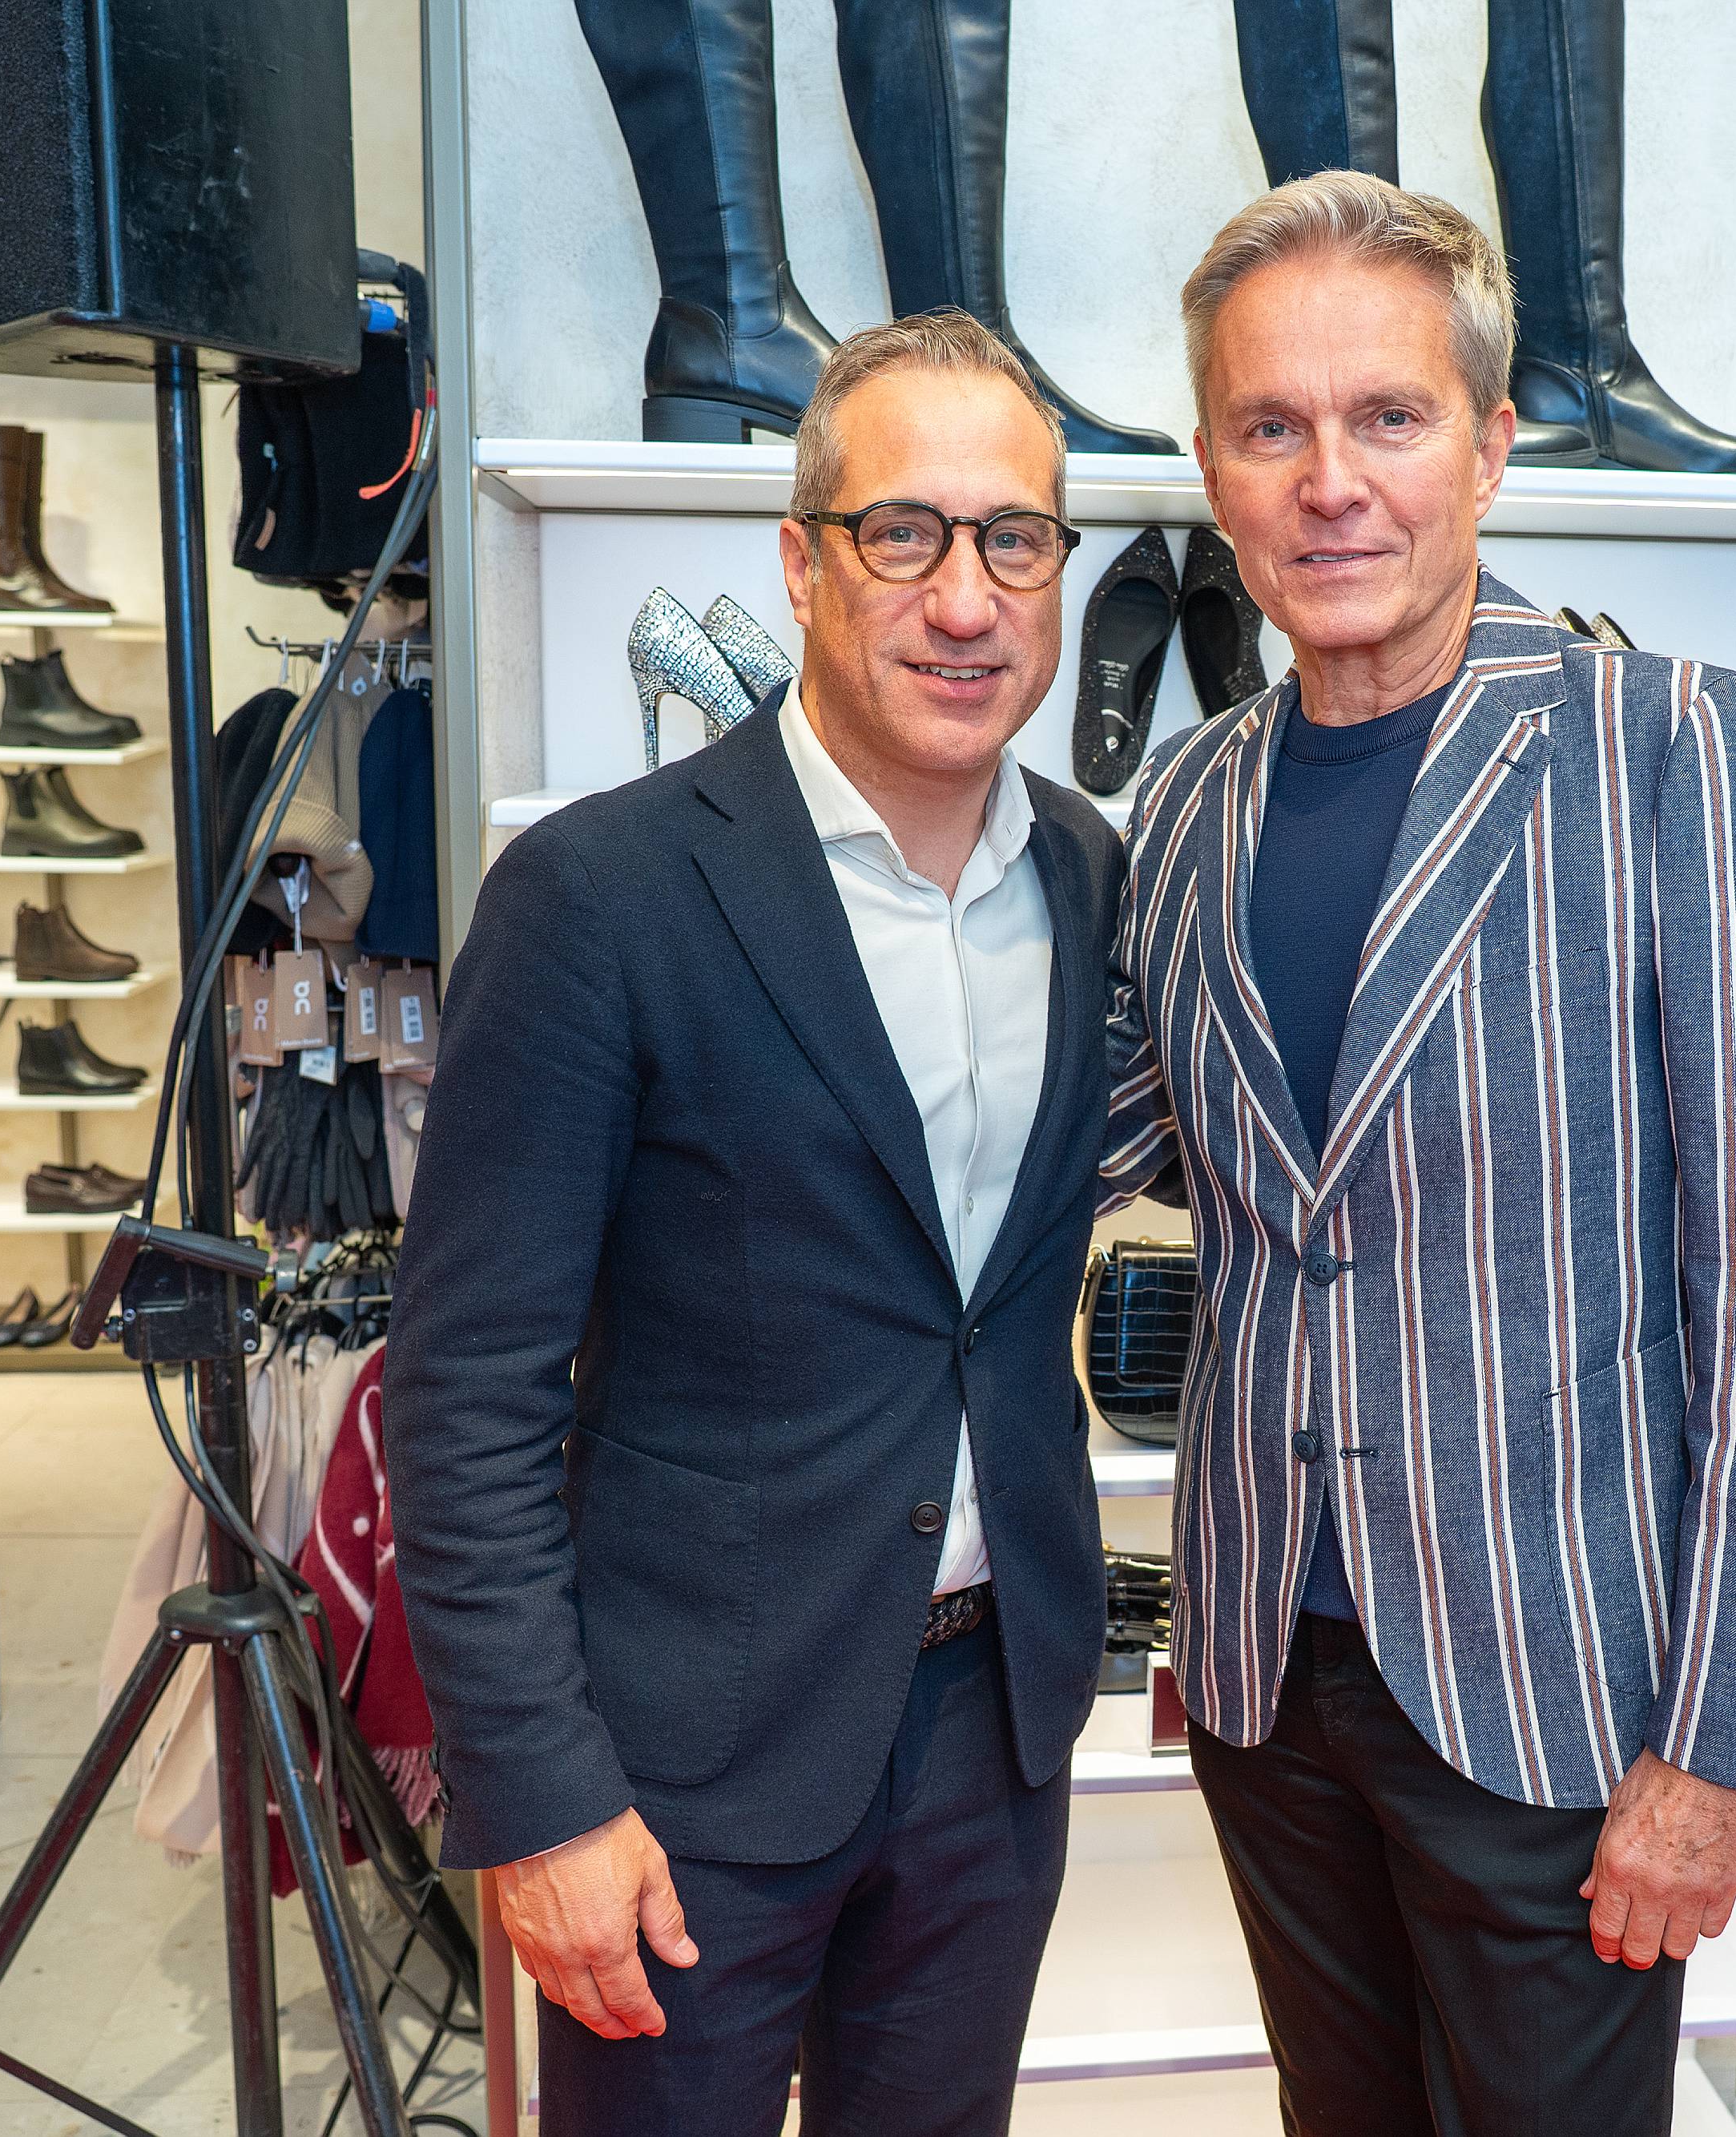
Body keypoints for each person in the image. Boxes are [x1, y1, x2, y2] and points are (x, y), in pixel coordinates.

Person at [1099, 172, 1736, 2134]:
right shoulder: (1186, 798)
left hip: (1561, 1694)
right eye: (1269, 426)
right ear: (1209, 469)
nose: (1329, 483)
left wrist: (1723, 1746)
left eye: (1386, 416)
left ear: (1487, 446)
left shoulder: (1683, 748)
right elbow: (1105, 1155)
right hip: (1265, 1672)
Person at [387, 312, 1125, 2136]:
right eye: (904, 533)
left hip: (990, 1733)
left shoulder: (1089, 872)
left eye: (1013, 538)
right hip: (683, 1762)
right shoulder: (598, 892)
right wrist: (542, 1794)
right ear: (800, 564)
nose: (964, 598)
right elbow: (467, 1390)